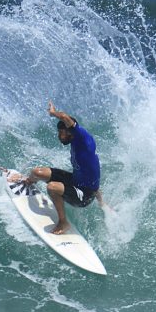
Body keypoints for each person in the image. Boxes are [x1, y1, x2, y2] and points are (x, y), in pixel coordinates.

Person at [23, 100, 103, 234]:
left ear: (70, 132)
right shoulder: (76, 142)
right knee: (36, 172)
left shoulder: (83, 141)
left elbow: (65, 117)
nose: (59, 136)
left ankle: (63, 223)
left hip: (85, 194)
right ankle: (28, 182)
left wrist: (53, 113)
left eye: (61, 133)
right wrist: (102, 202)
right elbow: (92, 174)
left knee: (52, 187)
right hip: (75, 180)